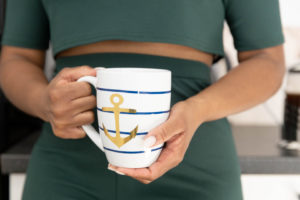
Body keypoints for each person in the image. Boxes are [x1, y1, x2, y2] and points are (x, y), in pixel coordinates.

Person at [0, 0, 285, 199]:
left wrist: (198, 109)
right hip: (65, 167)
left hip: (194, 160)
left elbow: (267, 60)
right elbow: (17, 57)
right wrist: (44, 102)